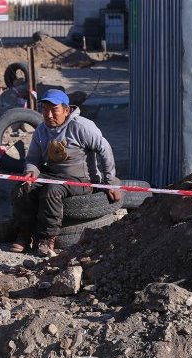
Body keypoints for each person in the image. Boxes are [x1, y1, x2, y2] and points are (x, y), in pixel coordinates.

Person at [10, 89, 122, 257]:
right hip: (53, 175)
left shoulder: (81, 127)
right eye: (45, 110)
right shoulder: (41, 130)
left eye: (54, 110)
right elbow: (33, 157)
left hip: (82, 179)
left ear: (66, 110)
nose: (48, 115)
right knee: (22, 187)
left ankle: (47, 239)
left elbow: (104, 149)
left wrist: (109, 182)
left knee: (51, 191)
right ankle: (25, 234)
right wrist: (31, 172)